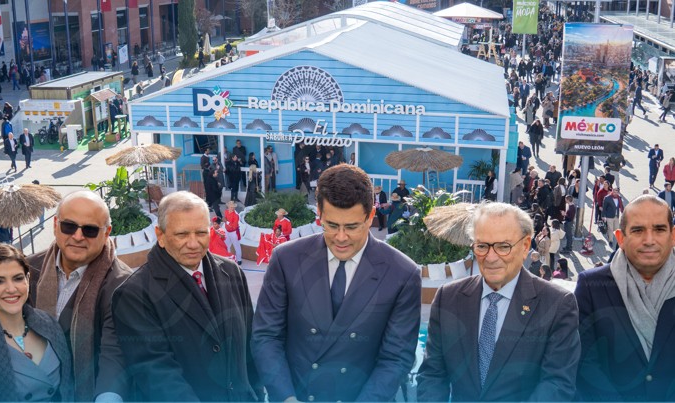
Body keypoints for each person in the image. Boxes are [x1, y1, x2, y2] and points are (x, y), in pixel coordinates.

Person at [252, 164, 421, 402]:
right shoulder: (285, 259)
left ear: (370, 216)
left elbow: (395, 358)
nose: (341, 238)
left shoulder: (403, 273)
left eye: (352, 227)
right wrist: (286, 397)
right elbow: (267, 336)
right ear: (319, 213)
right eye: (331, 225)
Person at [417, 202, 580, 401]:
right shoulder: (448, 298)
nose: (491, 257)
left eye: (503, 247)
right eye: (482, 246)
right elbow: (432, 374)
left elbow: (557, 384)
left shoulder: (557, 304)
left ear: (525, 246)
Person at [112, 191, 263, 401]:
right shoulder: (134, 294)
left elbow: (249, 346)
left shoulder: (231, 272)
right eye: (182, 235)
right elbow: (157, 374)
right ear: (160, 235)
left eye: (201, 233)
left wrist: (256, 394)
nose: (193, 244)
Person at [27, 190, 131, 401]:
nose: (77, 236)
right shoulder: (28, 269)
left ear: (107, 233)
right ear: (55, 225)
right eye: (69, 226)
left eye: (90, 230)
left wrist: (107, 397)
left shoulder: (122, 284)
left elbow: (115, 353)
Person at [574, 195, 675, 401]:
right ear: (620, 238)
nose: (649, 240)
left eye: (659, 229)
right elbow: (583, 363)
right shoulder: (591, 286)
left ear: (673, 235)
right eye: (638, 230)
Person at [0, 244, 75, 401]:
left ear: (28, 280)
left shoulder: (49, 322)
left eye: (18, 278)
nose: (11, 289)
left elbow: (68, 386)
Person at [224, 200, 242, 265]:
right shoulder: (226, 211)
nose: (232, 208)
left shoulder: (236, 215)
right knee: (226, 245)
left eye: (233, 207)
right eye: (231, 207)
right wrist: (226, 221)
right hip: (227, 231)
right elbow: (225, 218)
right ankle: (228, 257)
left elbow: (234, 226)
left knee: (236, 246)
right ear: (228, 207)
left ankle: (239, 260)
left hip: (233, 232)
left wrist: (227, 222)